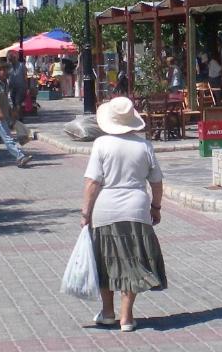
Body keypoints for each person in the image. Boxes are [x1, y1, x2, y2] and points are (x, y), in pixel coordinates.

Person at [81, 97, 166, 332]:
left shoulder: (101, 144)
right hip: (136, 209)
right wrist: (155, 208)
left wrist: (85, 213)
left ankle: (108, 312)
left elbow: (92, 183)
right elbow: (157, 183)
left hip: (105, 210)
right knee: (133, 262)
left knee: (106, 261)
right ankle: (126, 317)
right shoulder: (144, 146)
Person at [0, 64, 31, 168]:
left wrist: (11, 112)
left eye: (6, 70)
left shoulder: (4, 83)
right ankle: (20, 156)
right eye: (3, 70)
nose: (6, 72)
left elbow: (5, 100)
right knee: (8, 137)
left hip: (4, 115)